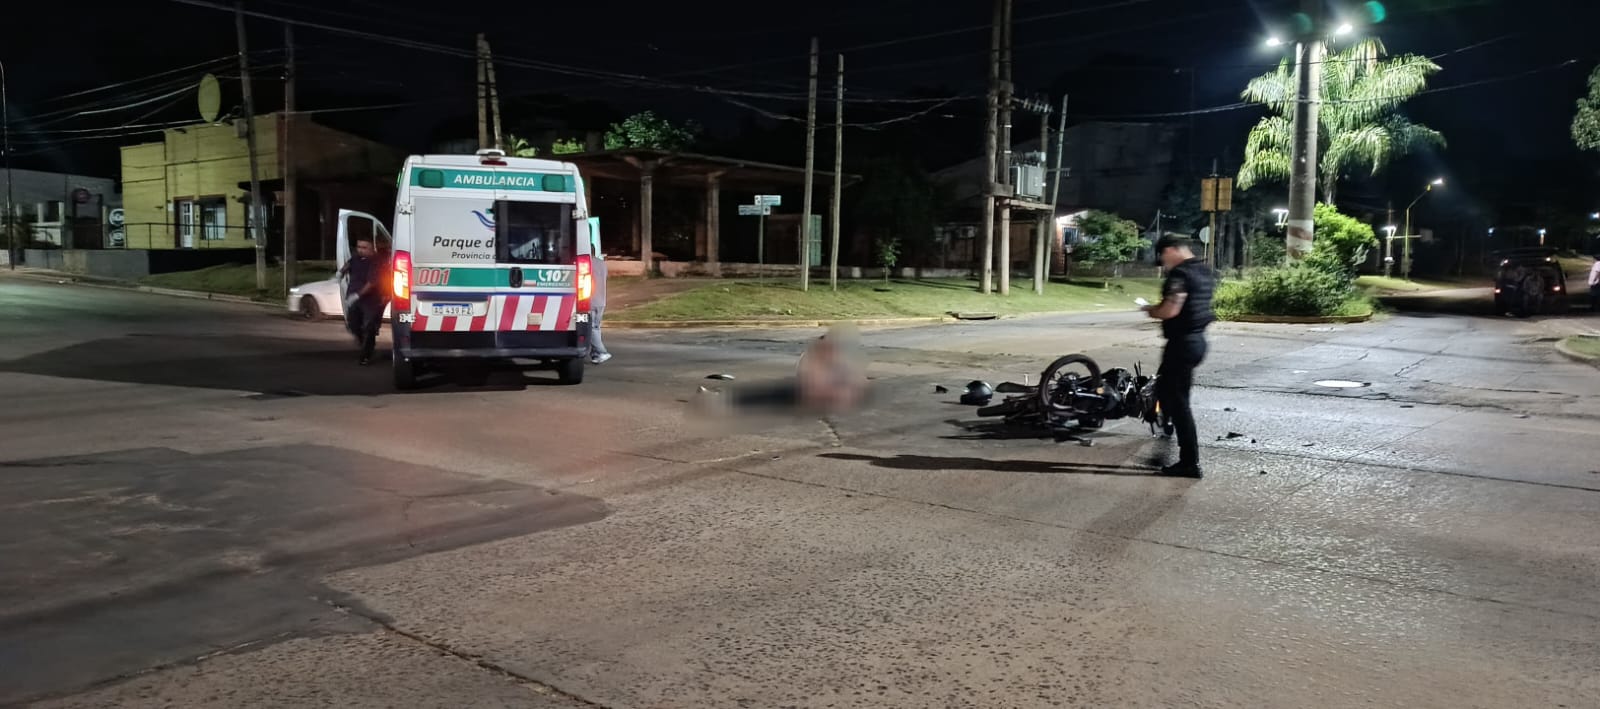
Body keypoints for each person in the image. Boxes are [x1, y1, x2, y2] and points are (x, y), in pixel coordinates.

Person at [1141, 235, 1215, 478]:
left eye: (1163, 255)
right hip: (1197, 341)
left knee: (1179, 403)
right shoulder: (1204, 271)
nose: (1162, 261)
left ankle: (1189, 462)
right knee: (1164, 390)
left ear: (1172, 250)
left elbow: (1171, 309)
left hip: (1182, 344)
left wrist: (1151, 310)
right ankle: (1165, 439)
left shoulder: (1180, 274)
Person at [339, 237, 390, 366]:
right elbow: (348, 265)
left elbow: (372, 283)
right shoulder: (356, 259)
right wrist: (340, 273)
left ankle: (366, 355)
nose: (360, 250)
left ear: (372, 249)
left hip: (370, 300)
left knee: (368, 326)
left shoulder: (376, 262)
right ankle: (365, 344)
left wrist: (358, 295)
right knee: (352, 324)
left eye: (364, 247)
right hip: (354, 298)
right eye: (359, 247)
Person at [589, 247, 611, 364]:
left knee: (591, 328)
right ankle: (595, 354)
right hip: (601, 300)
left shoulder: (587, 264)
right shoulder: (602, 264)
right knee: (596, 327)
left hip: (590, 300)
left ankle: (601, 352)